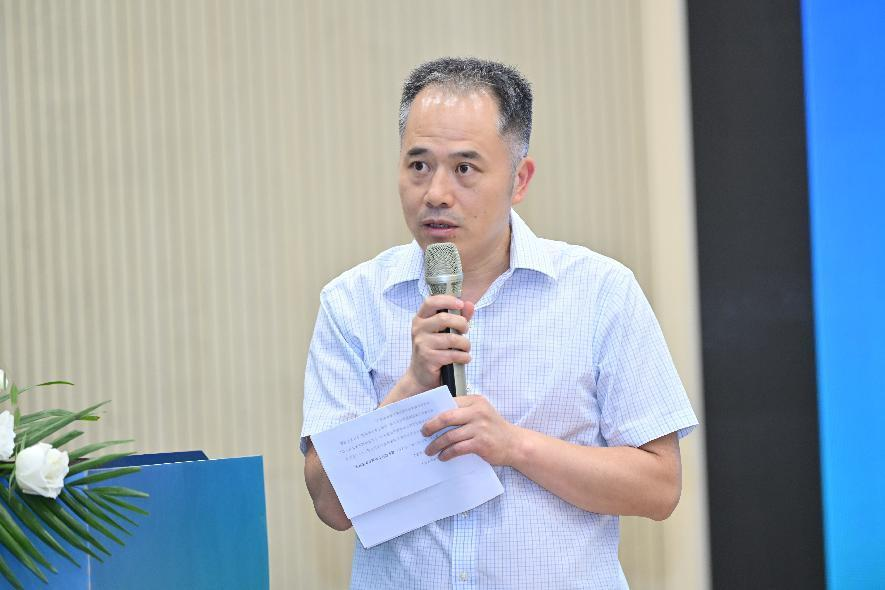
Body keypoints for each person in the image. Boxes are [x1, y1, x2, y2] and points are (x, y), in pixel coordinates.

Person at [301, 57, 698, 589]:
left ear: (519, 179)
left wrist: (514, 447)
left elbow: (659, 487)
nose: (436, 193)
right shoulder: (352, 303)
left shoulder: (600, 292)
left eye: (464, 169)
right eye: (418, 165)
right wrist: (412, 385)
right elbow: (330, 505)